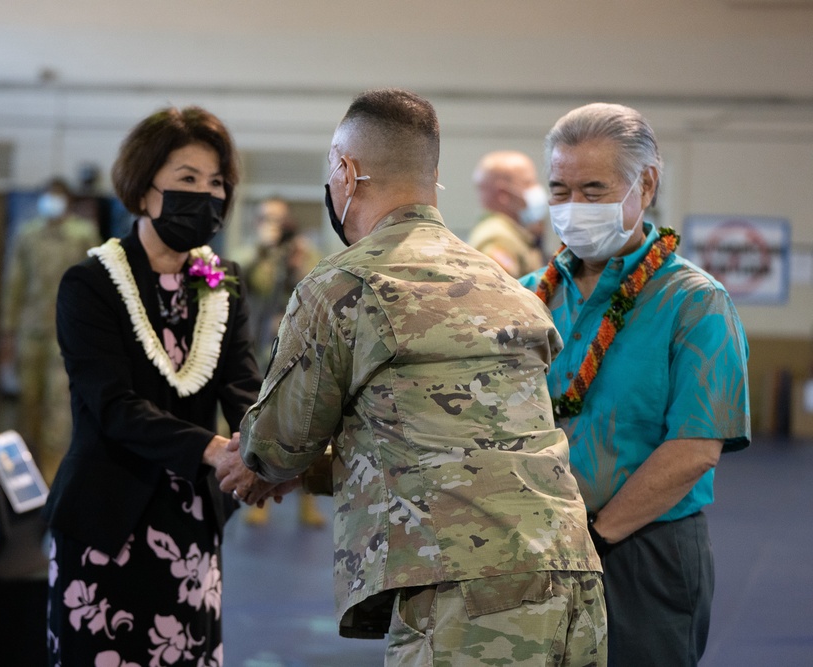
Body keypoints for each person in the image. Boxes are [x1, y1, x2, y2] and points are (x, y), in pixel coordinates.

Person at [225, 88, 606, 666]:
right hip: (574, 580)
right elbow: (442, 438)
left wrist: (254, 464)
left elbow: (278, 445)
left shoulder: (344, 285)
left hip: (467, 594)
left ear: (346, 173)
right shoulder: (510, 287)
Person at [519, 102, 751, 667]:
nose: (574, 207)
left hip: (643, 550)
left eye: (594, 190)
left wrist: (598, 536)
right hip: (534, 549)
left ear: (644, 185)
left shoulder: (695, 302)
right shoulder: (528, 297)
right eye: (560, 189)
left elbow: (695, 449)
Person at [44, 106, 275, 666]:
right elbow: (113, 406)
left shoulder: (223, 283)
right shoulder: (90, 284)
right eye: (187, 179)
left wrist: (266, 450)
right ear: (143, 188)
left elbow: (243, 386)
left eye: (217, 183)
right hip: (106, 518)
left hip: (191, 520)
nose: (206, 194)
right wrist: (215, 449)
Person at [0, 178, 100, 482]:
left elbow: (96, 282)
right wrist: (7, 333)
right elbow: (13, 283)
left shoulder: (83, 235)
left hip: (66, 335)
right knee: (28, 408)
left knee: (58, 412)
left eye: (57, 197)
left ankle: (54, 479)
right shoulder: (27, 234)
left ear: (68, 202)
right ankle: (28, 478)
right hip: (30, 333)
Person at [241, 197, 325, 528]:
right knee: (260, 423)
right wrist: (264, 251)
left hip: (298, 353)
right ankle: (260, 496)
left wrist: (298, 260)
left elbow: (319, 287)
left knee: (304, 424)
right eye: (266, 218)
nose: (272, 224)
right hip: (260, 349)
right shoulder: (251, 252)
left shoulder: (304, 251)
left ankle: (308, 501)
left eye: (279, 219)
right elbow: (247, 282)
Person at [467, 150, 548, 278]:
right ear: (503, 194)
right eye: (528, 183)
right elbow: (498, 292)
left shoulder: (512, 233)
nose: (537, 189)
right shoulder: (499, 238)